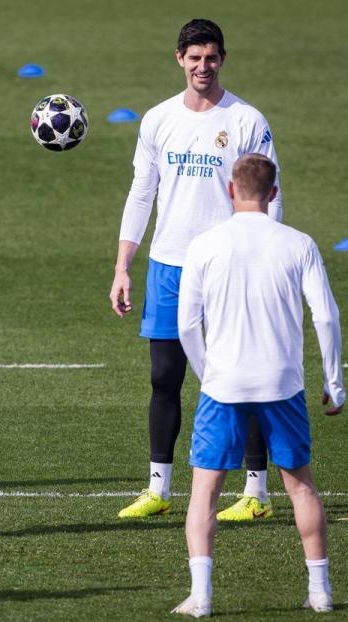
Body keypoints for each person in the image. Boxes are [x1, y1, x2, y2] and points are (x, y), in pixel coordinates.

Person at [110, 19, 284, 520]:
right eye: (194, 58)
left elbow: (271, 196)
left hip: (231, 264)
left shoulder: (246, 119)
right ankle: (158, 490)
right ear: (179, 59)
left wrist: (262, 257)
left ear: (222, 59)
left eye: (210, 58)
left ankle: (256, 493)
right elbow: (141, 193)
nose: (202, 67)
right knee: (164, 377)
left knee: (242, 377)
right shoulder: (158, 119)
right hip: (168, 265)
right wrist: (123, 265)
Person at [172, 153, 344, 617]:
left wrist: (208, 374)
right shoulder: (299, 243)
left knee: (204, 491)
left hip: (222, 387)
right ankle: (320, 592)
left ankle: (201, 597)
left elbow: (186, 324)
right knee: (301, 488)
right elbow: (326, 316)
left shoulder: (204, 245)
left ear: (231, 190)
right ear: (274, 192)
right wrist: (334, 381)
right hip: (282, 385)